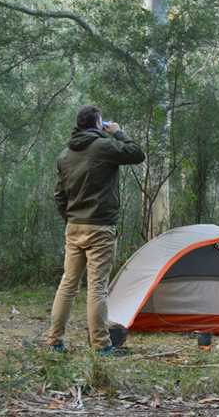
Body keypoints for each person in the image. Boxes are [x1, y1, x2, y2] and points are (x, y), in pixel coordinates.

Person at [46, 104, 145, 354]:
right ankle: (101, 346)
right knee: (97, 287)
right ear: (98, 124)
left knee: (67, 284)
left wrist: (70, 219)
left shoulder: (64, 154)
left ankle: (54, 341)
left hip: (74, 226)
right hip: (99, 226)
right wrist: (118, 132)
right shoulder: (102, 146)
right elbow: (136, 153)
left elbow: (59, 195)